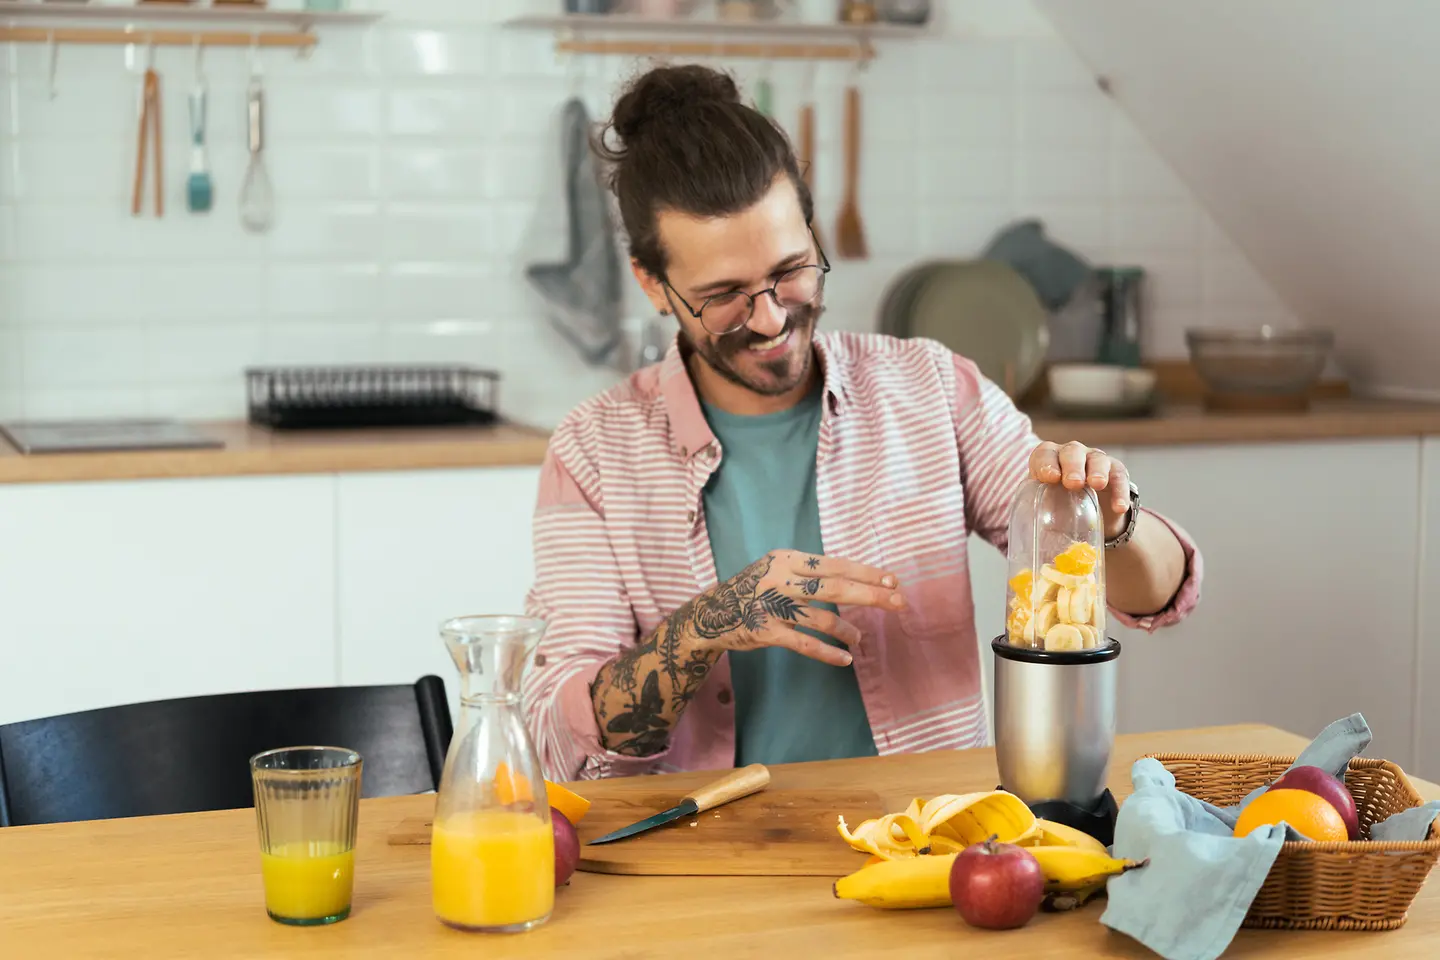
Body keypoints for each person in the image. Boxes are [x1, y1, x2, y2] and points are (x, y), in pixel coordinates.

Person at [521, 64, 1200, 781]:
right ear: (653, 283)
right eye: (722, 295)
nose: (771, 317)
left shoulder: (929, 388)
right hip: (705, 858)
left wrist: (1112, 520)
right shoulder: (594, 451)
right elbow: (558, 739)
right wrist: (708, 624)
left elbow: (1159, 592)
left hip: (931, 836)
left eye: (791, 270)